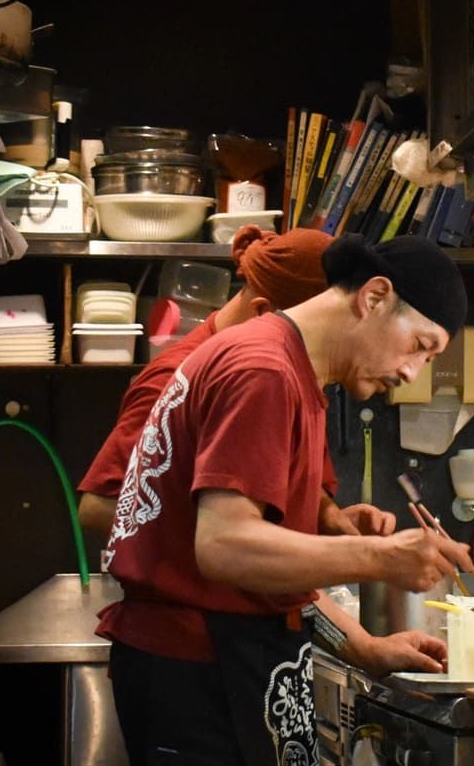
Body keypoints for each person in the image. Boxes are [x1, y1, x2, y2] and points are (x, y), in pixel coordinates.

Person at [96, 234, 474, 766]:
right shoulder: (264, 371)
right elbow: (226, 549)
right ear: (375, 298)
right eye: (420, 347)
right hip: (201, 682)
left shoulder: (289, 370)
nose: (413, 372)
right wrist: (382, 559)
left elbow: (267, 568)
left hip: (221, 670)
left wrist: (365, 648)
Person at [77, 226, 385, 541]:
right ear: (265, 314)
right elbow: (100, 506)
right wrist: (227, 540)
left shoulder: (296, 376)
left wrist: (326, 516)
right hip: (202, 590)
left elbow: (290, 479)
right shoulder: (176, 380)